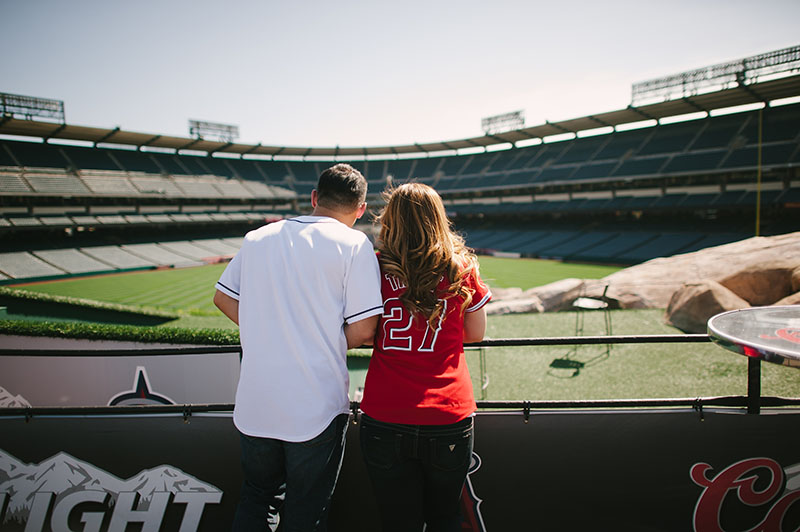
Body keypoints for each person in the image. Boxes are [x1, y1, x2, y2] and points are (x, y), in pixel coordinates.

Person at [213, 163, 383, 532]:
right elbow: (366, 327)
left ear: (314, 198)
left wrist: (268, 331)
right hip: (315, 406)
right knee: (307, 511)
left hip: (257, 403)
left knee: (257, 499)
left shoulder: (258, 237)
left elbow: (223, 299)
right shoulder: (355, 243)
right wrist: (316, 336)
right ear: (360, 209)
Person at [358, 182, 491, 532]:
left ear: (391, 221)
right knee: (445, 518)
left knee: (397, 522)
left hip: (385, 413)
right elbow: (476, 333)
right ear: (438, 219)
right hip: (448, 413)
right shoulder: (461, 268)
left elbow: (362, 332)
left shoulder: (373, 268)